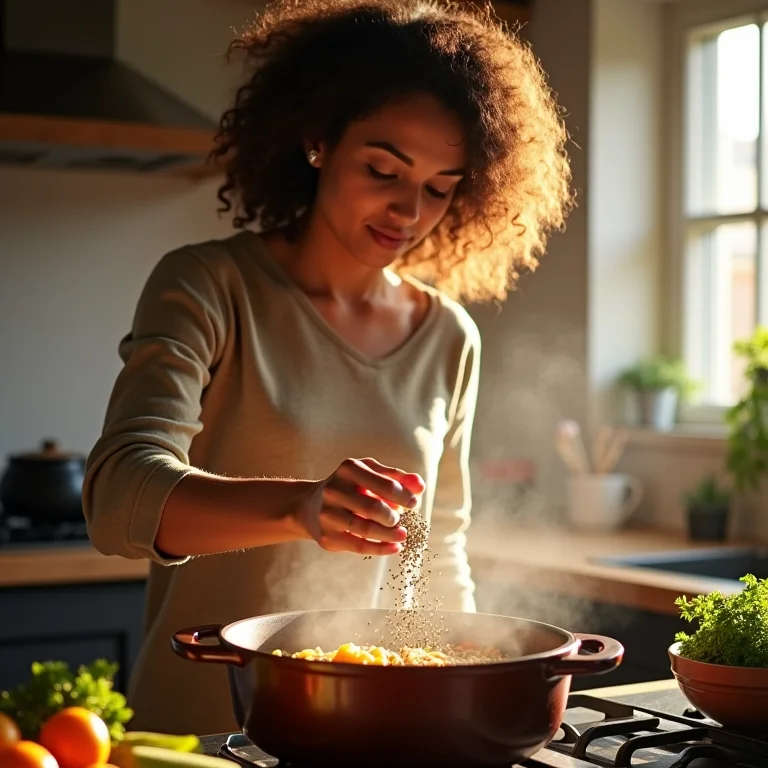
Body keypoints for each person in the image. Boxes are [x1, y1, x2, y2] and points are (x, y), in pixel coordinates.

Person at [83, 0, 572, 736]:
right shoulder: (209, 287)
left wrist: (464, 698)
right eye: (383, 169)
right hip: (199, 730)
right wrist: (300, 507)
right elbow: (118, 497)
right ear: (317, 140)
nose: (408, 210)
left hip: (367, 729)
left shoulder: (448, 336)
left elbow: (437, 550)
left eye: (440, 187)